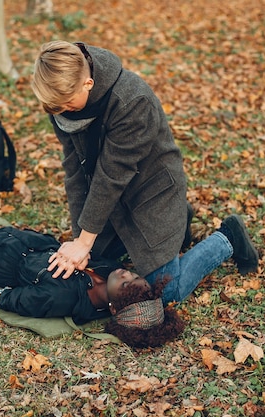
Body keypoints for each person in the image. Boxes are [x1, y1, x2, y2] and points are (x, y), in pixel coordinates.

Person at [0, 187, 259, 347]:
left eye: (126, 282)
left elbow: (10, 300)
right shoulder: (111, 272)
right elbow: (133, 275)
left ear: (112, 306)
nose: (125, 272)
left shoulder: (59, 297)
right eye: (132, 275)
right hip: (19, 240)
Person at [31, 40, 193, 283]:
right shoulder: (59, 104)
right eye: (55, 106)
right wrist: (79, 241)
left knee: (165, 288)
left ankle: (226, 238)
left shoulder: (133, 100)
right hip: (110, 197)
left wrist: (85, 241)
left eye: (67, 103)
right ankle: (179, 224)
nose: (61, 110)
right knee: (97, 265)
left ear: (88, 84)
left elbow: (112, 176)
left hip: (151, 190)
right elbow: (76, 172)